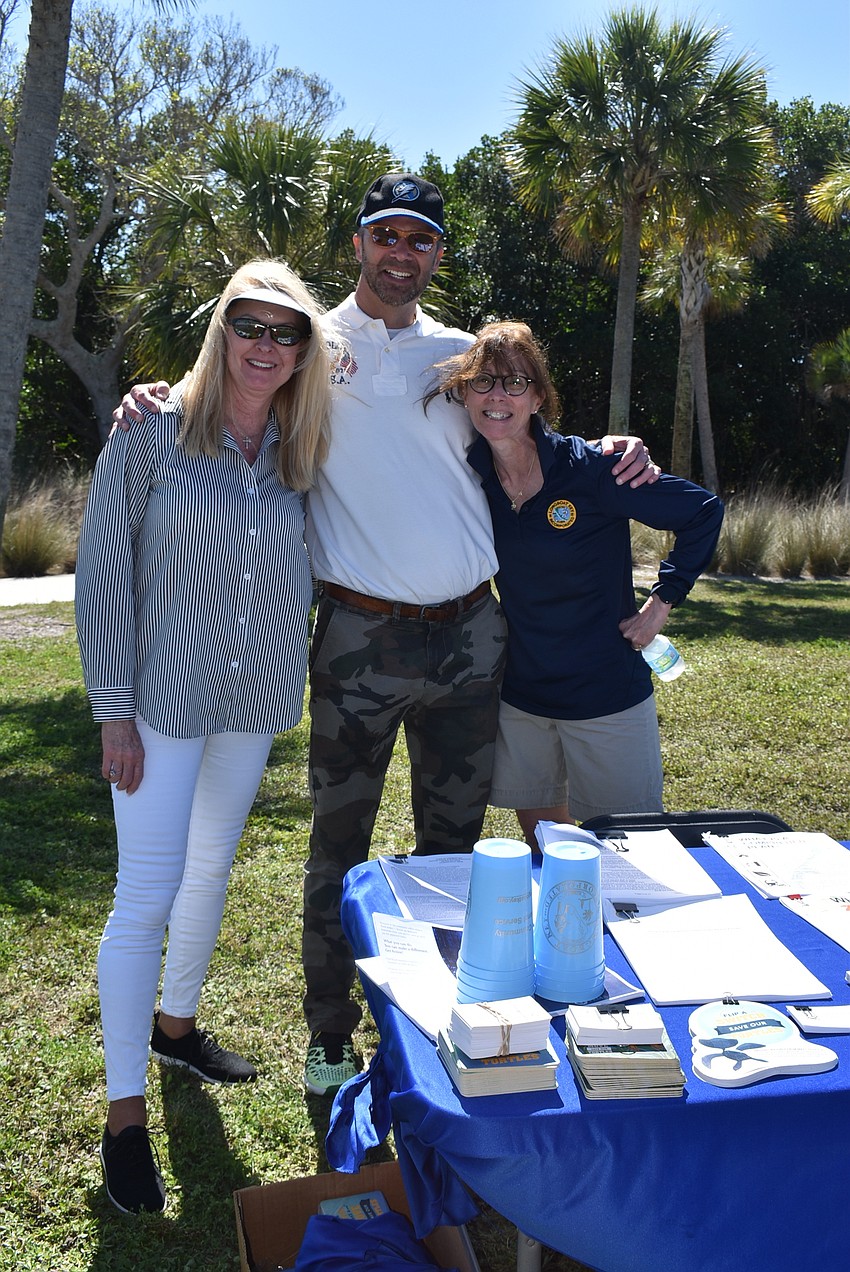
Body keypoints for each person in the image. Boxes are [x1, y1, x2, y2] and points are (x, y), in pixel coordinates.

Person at [112, 173, 656, 1099]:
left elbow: (529, 437)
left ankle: (442, 1019)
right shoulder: (306, 345)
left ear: (438, 252)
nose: (402, 251)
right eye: (385, 235)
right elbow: (227, 386)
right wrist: (149, 397)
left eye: (421, 238)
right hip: (357, 637)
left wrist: (615, 448)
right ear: (359, 244)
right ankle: (331, 1036)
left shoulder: (462, 354)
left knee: (454, 851)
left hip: (472, 638)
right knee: (340, 845)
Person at [76, 259, 332, 1214]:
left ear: (305, 347)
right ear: (221, 328)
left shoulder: (302, 449)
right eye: (249, 324)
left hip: (252, 696)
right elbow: (102, 579)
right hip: (158, 703)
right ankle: (125, 1117)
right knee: (144, 891)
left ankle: (175, 1029)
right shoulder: (148, 434)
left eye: (286, 330)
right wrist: (113, 711)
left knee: (212, 863)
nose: (265, 345)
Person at [425, 320, 724, 843]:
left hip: (606, 692)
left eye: (515, 383)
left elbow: (702, 510)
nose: (498, 397)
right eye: (483, 382)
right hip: (523, 695)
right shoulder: (468, 472)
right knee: (546, 839)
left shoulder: (591, 470)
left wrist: (660, 604)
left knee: (633, 845)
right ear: (464, 393)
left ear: (538, 397)